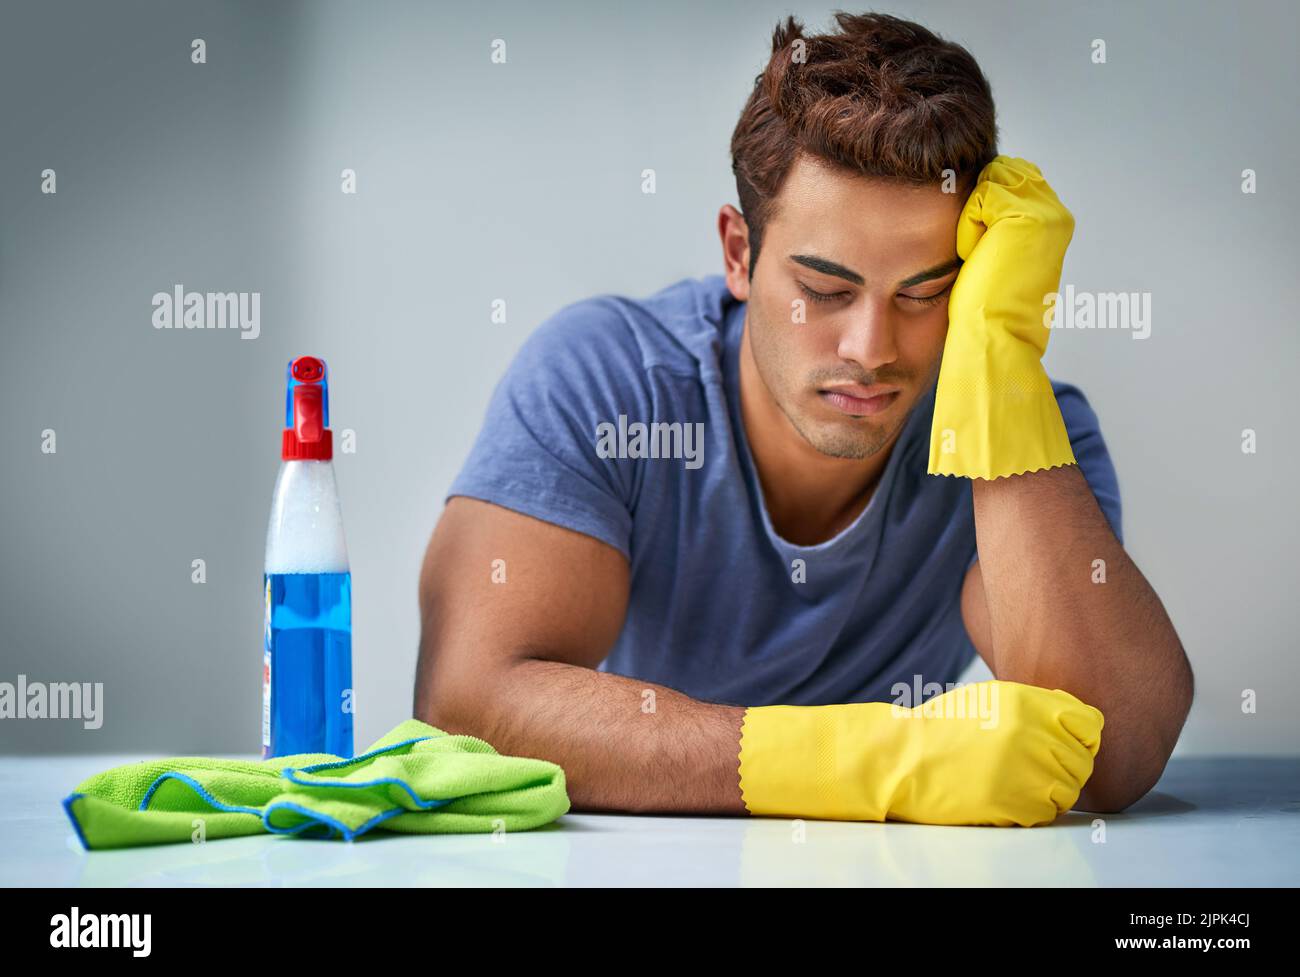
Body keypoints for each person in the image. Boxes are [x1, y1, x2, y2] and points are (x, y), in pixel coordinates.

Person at [414, 11, 1191, 825]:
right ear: (739, 255)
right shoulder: (606, 379)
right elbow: (465, 702)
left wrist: (1001, 358)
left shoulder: (1028, 433)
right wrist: (857, 762)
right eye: (825, 290)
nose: (872, 347)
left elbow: (1115, 754)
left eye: (927, 293)